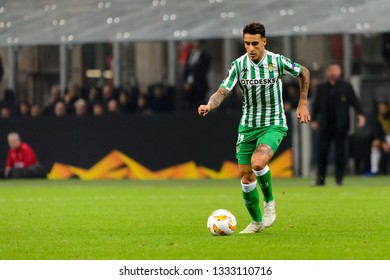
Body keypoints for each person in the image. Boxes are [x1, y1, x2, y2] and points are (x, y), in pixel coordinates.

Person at [198, 23, 310, 234]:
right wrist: (209, 105)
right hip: (248, 126)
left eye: (255, 43)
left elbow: (304, 72)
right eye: (247, 43)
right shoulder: (239, 65)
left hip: (273, 123)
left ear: (264, 42)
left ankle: (269, 202)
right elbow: (222, 91)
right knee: (246, 175)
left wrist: (302, 103)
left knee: (258, 163)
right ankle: (256, 222)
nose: (250, 48)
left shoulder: (276, 61)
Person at [311, 62, 365, 186]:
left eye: (337, 70)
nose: (334, 72)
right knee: (322, 151)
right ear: (328, 72)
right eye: (332, 70)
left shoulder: (346, 86)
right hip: (325, 125)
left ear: (340, 72)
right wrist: (314, 119)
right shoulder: (322, 87)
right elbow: (316, 105)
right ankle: (320, 179)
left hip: (341, 125)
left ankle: (339, 179)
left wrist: (360, 114)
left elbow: (355, 101)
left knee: (341, 152)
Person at [184, 40, 210, 109]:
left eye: (196, 42)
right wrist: (186, 82)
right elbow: (187, 69)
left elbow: (203, 71)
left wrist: (193, 82)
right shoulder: (190, 53)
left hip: (199, 85)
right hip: (189, 85)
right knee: (189, 104)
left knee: (199, 104)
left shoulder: (205, 55)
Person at [366, 101, 390, 175]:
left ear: (387, 108)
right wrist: (383, 142)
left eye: (383, 107)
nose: (382, 109)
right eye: (380, 108)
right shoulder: (377, 118)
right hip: (385, 138)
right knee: (375, 143)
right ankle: (374, 170)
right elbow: (377, 132)